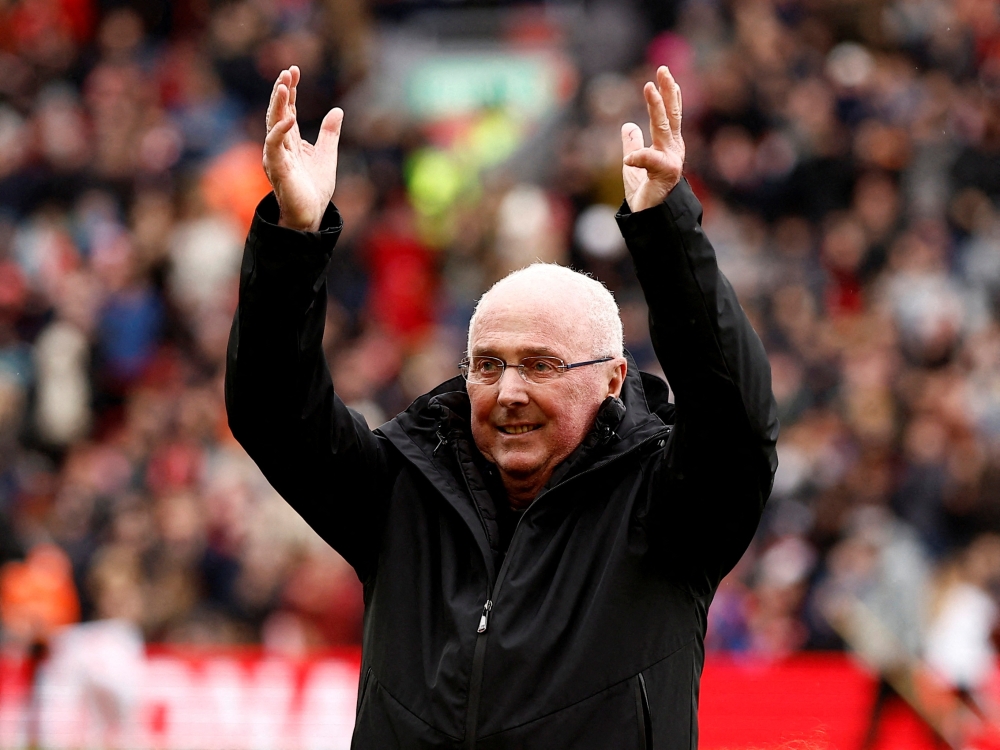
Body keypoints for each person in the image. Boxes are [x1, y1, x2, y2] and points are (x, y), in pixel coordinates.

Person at [226, 64, 778, 750]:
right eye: (487, 365)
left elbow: (738, 419)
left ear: (611, 380)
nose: (508, 390)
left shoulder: (666, 510)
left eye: (541, 365)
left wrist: (666, 232)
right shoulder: (400, 492)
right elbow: (271, 410)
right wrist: (294, 237)